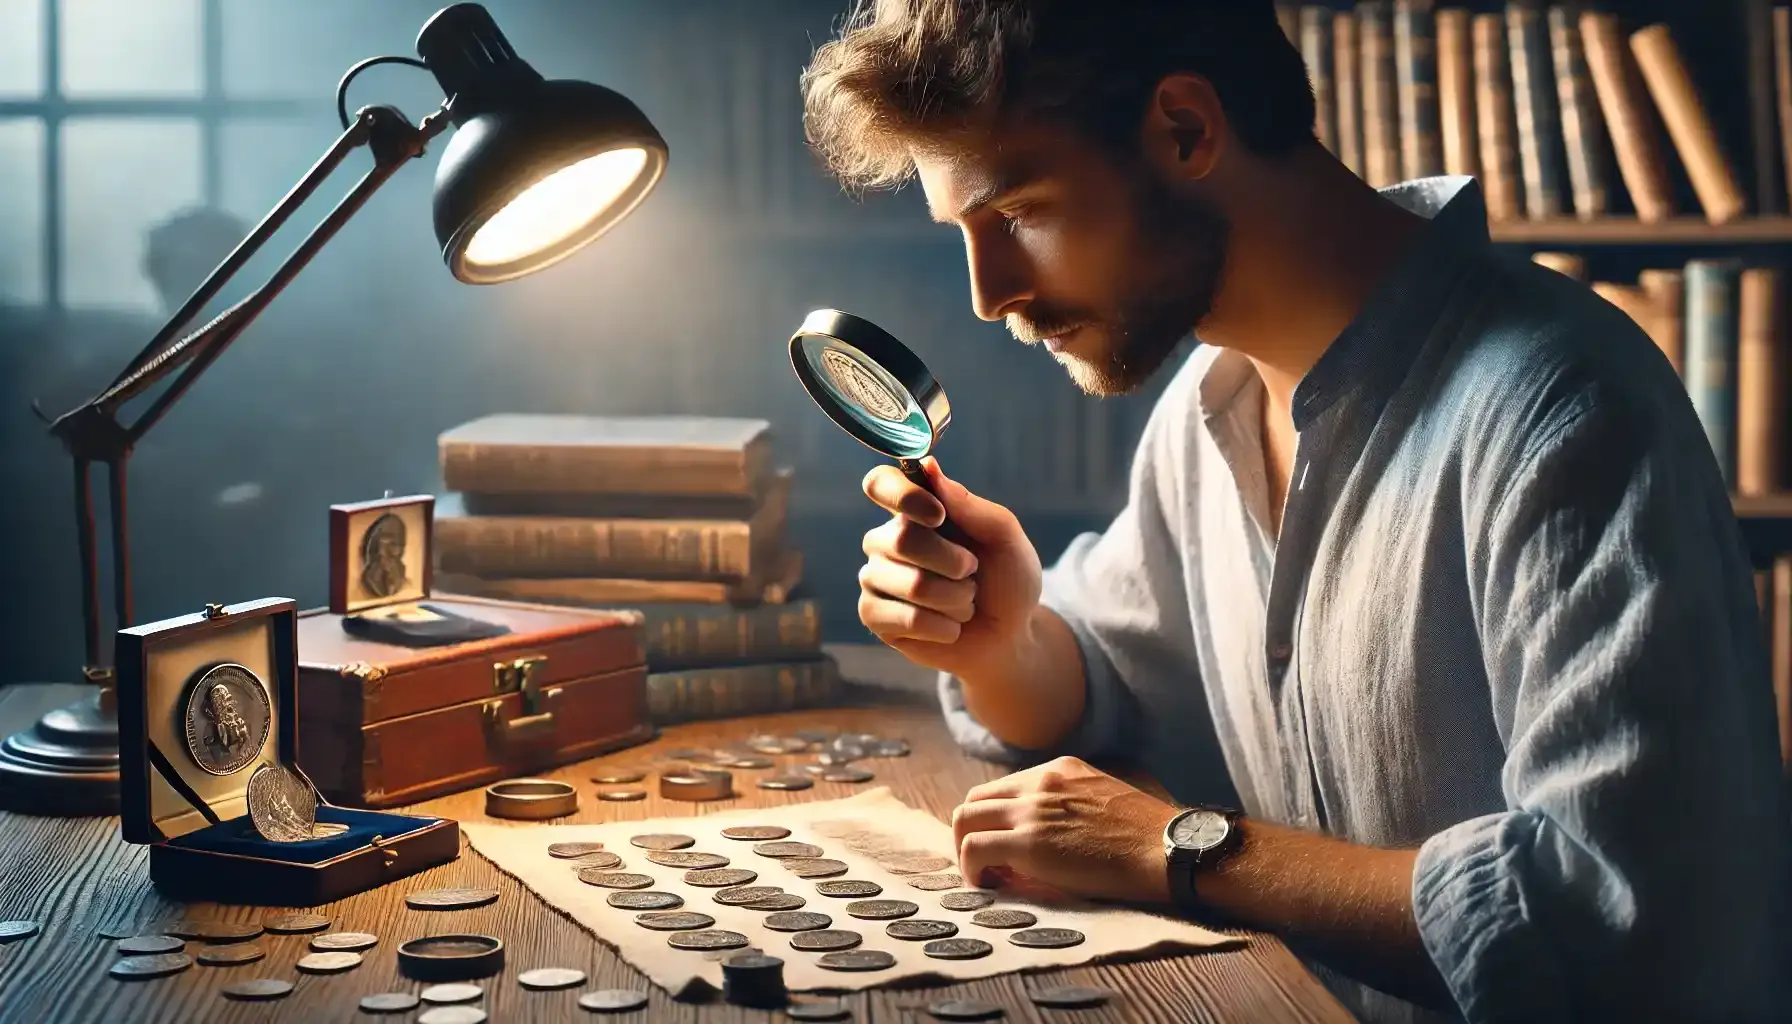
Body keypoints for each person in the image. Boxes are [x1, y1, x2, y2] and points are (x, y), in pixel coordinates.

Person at [801, 2, 1792, 1022]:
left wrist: (1174, 845)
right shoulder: (1205, 408)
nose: (987, 293)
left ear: (1184, 128)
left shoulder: (1564, 412)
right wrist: (999, 637)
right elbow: (1107, 686)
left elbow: (1618, 922)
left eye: (1017, 213)